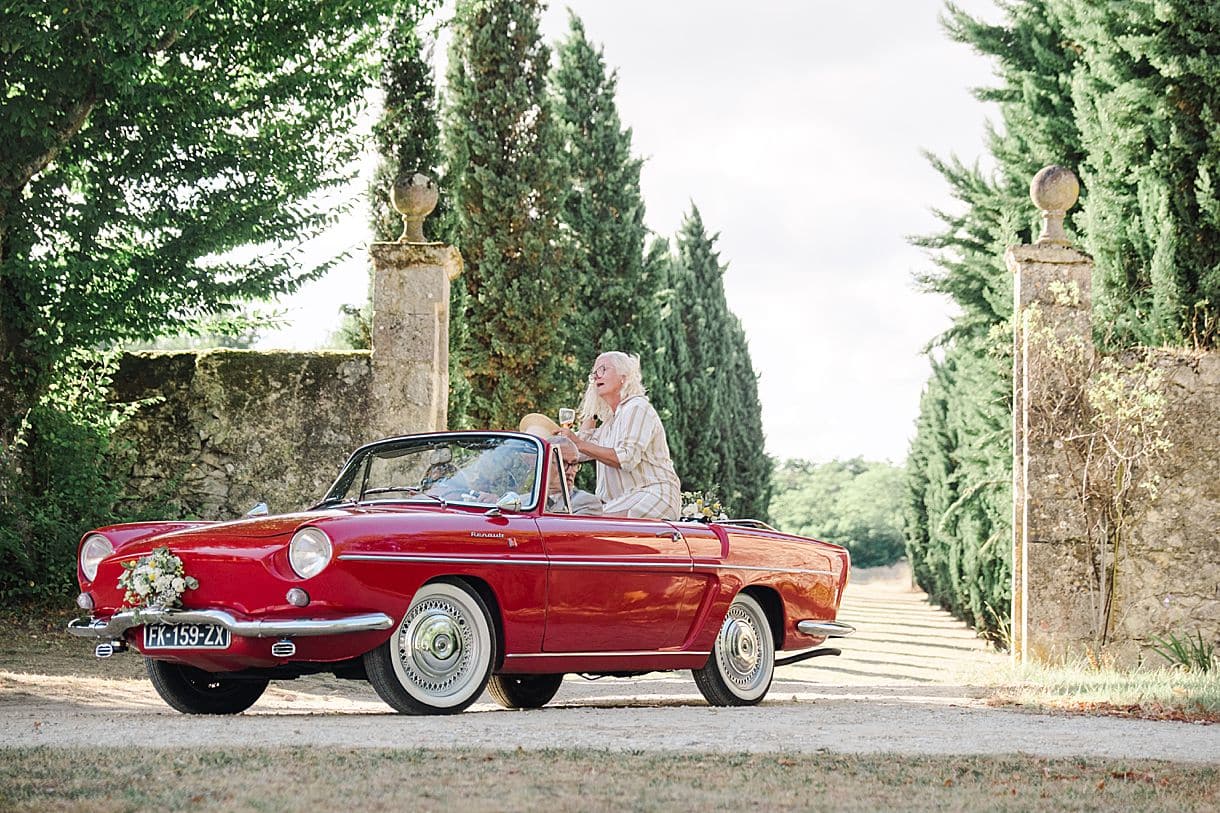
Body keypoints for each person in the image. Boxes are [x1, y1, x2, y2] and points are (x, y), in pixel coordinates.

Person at [559, 351, 681, 520]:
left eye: (602, 369)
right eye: (593, 374)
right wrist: (591, 408)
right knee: (579, 515)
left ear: (624, 376)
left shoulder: (637, 407)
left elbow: (626, 458)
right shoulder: (610, 423)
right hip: (621, 502)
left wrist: (578, 443)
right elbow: (577, 452)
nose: (595, 377)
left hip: (653, 495)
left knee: (586, 521)